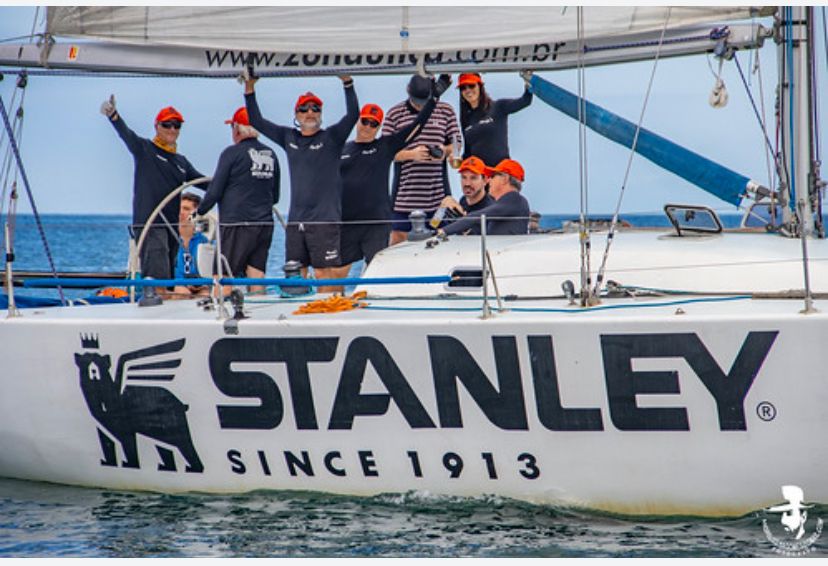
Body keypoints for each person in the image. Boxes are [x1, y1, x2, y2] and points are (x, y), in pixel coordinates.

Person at [245, 75, 357, 293]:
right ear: (296, 114)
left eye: (315, 109)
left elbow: (353, 115)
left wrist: (347, 83)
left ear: (321, 114)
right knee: (296, 274)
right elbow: (256, 121)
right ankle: (301, 321)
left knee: (325, 273)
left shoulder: (332, 137)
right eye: (304, 109)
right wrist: (249, 89)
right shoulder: (289, 137)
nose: (310, 113)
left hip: (325, 220)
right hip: (297, 221)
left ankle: (330, 318)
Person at [334, 77, 449, 277]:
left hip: (376, 224)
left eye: (373, 123)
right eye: (365, 121)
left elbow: (417, 126)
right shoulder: (341, 149)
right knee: (336, 274)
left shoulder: (384, 147)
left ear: (379, 128)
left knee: (376, 273)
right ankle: (333, 306)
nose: (368, 126)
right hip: (347, 222)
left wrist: (433, 99)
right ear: (358, 121)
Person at [100, 95, 208, 295]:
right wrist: (113, 116)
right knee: (157, 279)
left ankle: (167, 313)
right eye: (167, 125)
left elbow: (204, 183)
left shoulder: (181, 162)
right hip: (150, 223)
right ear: (157, 126)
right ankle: (155, 311)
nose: (172, 130)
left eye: (177, 126)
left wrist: (235, 184)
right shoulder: (145, 149)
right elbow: (127, 135)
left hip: (170, 227)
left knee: (167, 279)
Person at [196, 107, 280, 295]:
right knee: (256, 273)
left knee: (223, 274)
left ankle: (219, 314)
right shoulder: (271, 154)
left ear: (236, 128)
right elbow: (276, 196)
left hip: (236, 225)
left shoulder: (231, 153)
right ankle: (258, 314)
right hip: (264, 223)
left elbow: (215, 190)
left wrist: (199, 212)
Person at [383, 74, 461, 245]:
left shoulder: (446, 111)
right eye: (416, 101)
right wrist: (411, 154)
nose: (420, 106)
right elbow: (384, 153)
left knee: (439, 241)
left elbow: (457, 144)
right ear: (407, 92)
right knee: (397, 244)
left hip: (438, 198)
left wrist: (444, 150)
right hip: (403, 199)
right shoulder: (395, 114)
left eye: (423, 102)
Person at [439, 159, 530, 237]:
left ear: (505, 179)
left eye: (493, 176)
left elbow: (479, 216)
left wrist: (442, 232)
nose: (489, 180)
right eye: (463, 177)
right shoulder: (510, 203)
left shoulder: (514, 199)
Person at [458, 72, 533, 167]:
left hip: (500, 174)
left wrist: (529, 81)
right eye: (463, 88)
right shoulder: (466, 118)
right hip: (479, 177)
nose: (467, 90)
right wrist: (459, 161)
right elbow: (468, 152)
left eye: (471, 86)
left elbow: (525, 101)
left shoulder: (498, 107)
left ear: (480, 87)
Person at [438, 156, 495, 234]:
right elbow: (434, 225)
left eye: (473, 178)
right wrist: (441, 210)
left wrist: (462, 221)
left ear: (485, 180)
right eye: (464, 177)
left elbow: (476, 240)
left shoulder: (490, 209)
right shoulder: (463, 200)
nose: (467, 183)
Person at [173, 193, 210, 297]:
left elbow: (206, 269)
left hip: (198, 284)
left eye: (186, 209)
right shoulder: (169, 239)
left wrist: (200, 284)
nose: (181, 212)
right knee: (182, 293)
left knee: (205, 294)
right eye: (179, 208)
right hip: (175, 284)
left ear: (195, 213)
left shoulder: (203, 241)